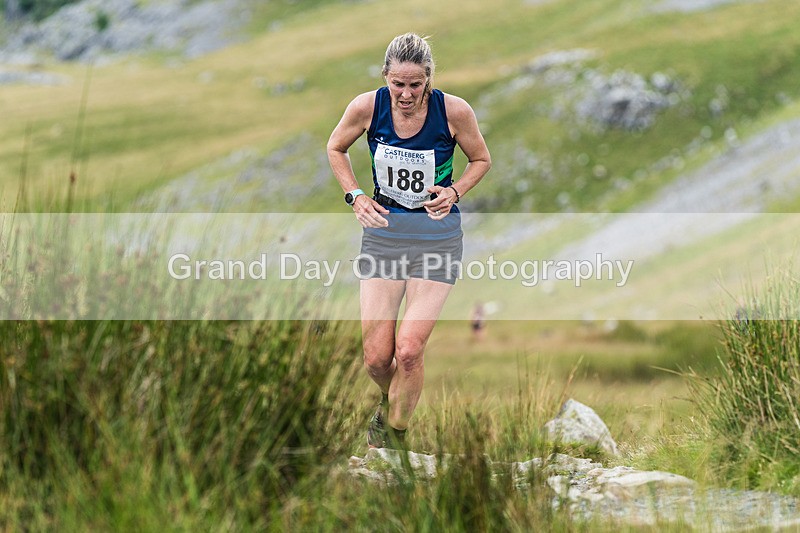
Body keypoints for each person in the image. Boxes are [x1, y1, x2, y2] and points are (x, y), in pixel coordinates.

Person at [327, 33, 491, 449]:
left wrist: (454, 192)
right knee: (378, 358)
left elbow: (481, 160)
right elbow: (335, 147)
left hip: (437, 237)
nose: (405, 94)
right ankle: (389, 402)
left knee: (411, 349)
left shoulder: (454, 112)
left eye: (415, 85)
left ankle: (393, 437)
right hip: (384, 236)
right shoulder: (367, 107)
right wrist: (355, 195)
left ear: (429, 81)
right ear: (385, 78)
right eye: (397, 84)